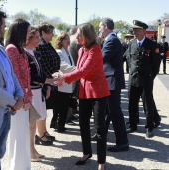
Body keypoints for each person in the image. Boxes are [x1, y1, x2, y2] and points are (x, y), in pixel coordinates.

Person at [53, 23, 110, 170]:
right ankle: (86, 153)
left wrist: (64, 77)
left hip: (98, 92)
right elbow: (79, 70)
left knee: (99, 128)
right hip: (84, 91)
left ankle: (101, 162)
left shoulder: (95, 50)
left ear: (87, 36)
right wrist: (65, 77)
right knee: (83, 124)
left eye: (79, 35)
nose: (76, 37)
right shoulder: (81, 50)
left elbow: (83, 71)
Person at [25, 27, 57, 161]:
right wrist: (47, 80)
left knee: (35, 122)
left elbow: (41, 71)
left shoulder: (35, 52)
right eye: (37, 37)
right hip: (31, 91)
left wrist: (47, 84)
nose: (39, 40)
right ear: (29, 38)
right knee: (31, 124)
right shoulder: (24, 53)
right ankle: (30, 152)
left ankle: (33, 150)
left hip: (39, 91)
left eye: (39, 37)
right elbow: (30, 76)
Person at [126, 20, 161, 138]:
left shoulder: (151, 45)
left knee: (148, 104)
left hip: (146, 79)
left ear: (143, 31)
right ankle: (132, 125)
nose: (134, 31)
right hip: (133, 78)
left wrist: (151, 76)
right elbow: (128, 58)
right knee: (132, 103)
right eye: (133, 29)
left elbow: (156, 64)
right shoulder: (131, 44)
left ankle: (149, 127)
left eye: (137, 29)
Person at [5, 19, 32, 170]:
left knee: (23, 135)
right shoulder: (11, 49)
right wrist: (25, 98)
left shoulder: (20, 48)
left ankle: (23, 166)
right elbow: (15, 77)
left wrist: (29, 97)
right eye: (28, 31)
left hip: (25, 99)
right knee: (18, 136)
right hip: (18, 100)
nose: (29, 34)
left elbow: (26, 76)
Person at [99, 18, 129, 152]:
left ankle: (122, 142)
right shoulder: (111, 39)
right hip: (110, 80)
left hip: (112, 81)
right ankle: (101, 134)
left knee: (115, 112)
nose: (99, 29)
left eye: (100, 27)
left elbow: (102, 59)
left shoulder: (111, 40)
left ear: (106, 26)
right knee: (107, 110)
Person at [0, 11, 24, 170]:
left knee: (0, 153)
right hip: (6, 107)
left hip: (7, 111)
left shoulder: (1, 49)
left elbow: (13, 75)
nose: (4, 29)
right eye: (2, 26)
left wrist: (20, 95)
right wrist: (13, 102)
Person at [34, 22, 61, 132]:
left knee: (45, 109)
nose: (52, 35)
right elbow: (44, 66)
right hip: (46, 82)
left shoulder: (47, 44)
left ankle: (43, 131)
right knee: (42, 109)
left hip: (51, 80)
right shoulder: (41, 45)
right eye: (50, 32)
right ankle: (41, 133)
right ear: (43, 33)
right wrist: (51, 80)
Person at [54, 32, 76, 131]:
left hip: (69, 82)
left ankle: (61, 125)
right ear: (60, 41)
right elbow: (64, 66)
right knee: (62, 107)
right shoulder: (59, 52)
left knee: (65, 106)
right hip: (62, 84)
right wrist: (77, 69)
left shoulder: (68, 51)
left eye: (68, 38)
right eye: (65, 39)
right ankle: (59, 126)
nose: (68, 40)